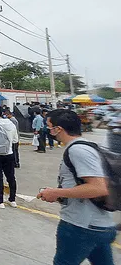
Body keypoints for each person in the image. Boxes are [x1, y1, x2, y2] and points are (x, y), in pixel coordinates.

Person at [37, 109, 115, 265]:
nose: (48, 130)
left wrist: (56, 192)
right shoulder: (86, 146)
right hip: (99, 225)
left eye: (49, 126)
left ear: (58, 129)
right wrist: (59, 194)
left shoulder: (78, 150)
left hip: (80, 227)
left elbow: (99, 188)